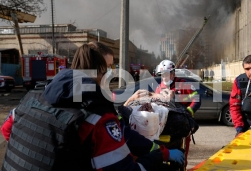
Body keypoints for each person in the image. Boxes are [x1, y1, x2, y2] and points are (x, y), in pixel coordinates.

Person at [1, 43, 184, 171]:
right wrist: (160, 155)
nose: (111, 74)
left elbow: (8, 131)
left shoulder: (33, 96)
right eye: (108, 68)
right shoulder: (96, 115)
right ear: (95, 69)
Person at [154, 59, 201, 168]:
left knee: (182, 155)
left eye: (166, 74)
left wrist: (189, 110)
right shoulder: (159, 87)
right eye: (162, 75)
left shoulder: (183, 84)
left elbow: (197, 98)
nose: (164, 77)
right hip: (165, 127)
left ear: (173, 73)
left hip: (182, 124)